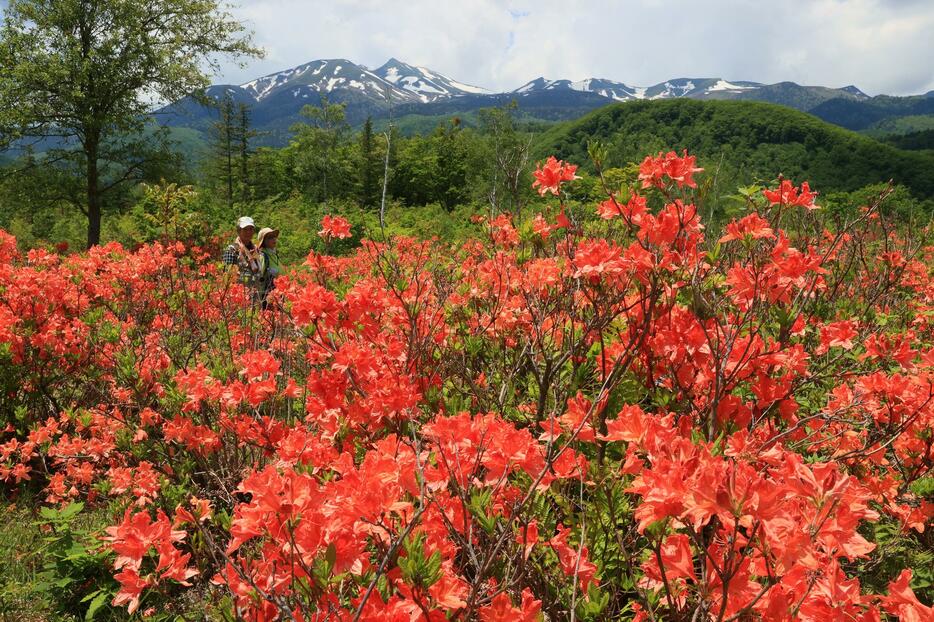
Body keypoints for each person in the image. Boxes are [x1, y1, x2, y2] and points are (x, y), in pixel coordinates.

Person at [222, 217, 262, 294]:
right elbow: (226, 276)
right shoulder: (232, 250)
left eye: (251, 229)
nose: (248, 232)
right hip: (239, 298)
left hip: (256, 296)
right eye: (245, 229)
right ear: (239, 231)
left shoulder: (256, 250)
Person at [256, 227, 280, 309]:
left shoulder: (275, 255)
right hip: (268, 299)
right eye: (270, 237)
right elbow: (259, 279)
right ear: (263, 242)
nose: (274, 239)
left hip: (278, 297)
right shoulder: (263, 256)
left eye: (274, 237)